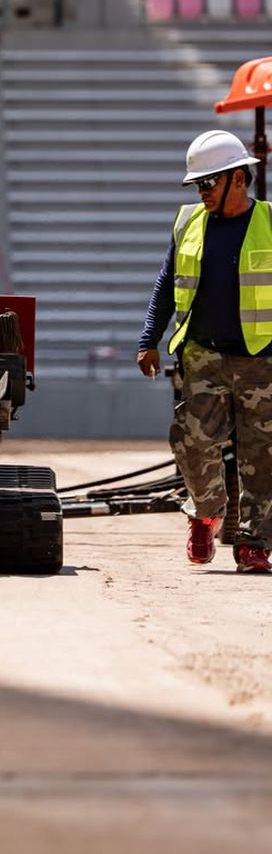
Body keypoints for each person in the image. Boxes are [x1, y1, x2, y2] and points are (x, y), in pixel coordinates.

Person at [137, 129, 272, 573]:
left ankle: (255, 545)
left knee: (263, 454)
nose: (202, 192)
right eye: (198, 184)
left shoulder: (270, 223)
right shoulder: (188, 222)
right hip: (202, 353)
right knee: (191, 439)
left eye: (209, 183)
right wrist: (148, 340)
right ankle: (207, 512)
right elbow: (164, 283)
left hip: (262, 358)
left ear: (238, 177)